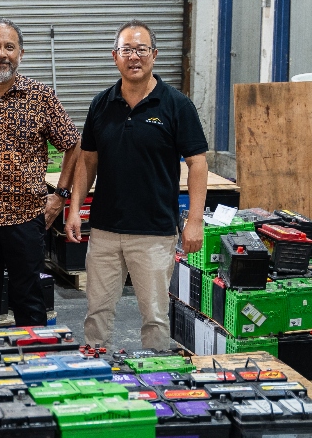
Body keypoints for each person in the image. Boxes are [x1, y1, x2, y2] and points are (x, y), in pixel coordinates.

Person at [65, 20, 207, 350]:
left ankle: (156, 380)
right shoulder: (101, 104)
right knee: (96, 313)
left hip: (154, 233)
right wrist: (74, 210)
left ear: (154, 55)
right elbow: (87, 161)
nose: (134, 57)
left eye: (141, 49)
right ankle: (94, 373)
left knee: (155, 316)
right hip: (105, 231)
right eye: (126, 50)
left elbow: (198, 163)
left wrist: (195, 220)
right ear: (114, 56)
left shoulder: (176, 105)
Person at [0, 18, 80, 338]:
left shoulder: (41, 97)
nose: (1, 54)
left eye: (9, 47)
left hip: (26, 216)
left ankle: (31, 363)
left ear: (21, 53)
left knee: (29, 299)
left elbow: (73, 143)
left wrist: (60, 195)